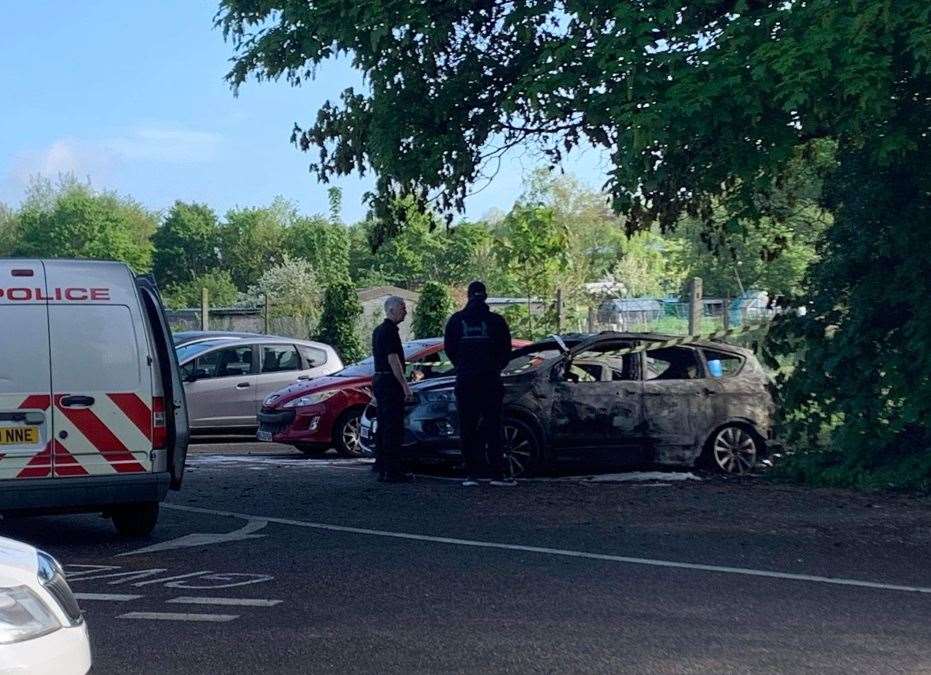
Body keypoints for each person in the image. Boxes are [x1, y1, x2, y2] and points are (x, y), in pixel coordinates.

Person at [444, 281, 514, 487]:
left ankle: (471, 474)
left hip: (466, 381)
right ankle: (497, 474)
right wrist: (494, 367)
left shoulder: (456, 321)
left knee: (468, 427)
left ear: (468, 296)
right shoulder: (497, 322)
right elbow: (506, 351)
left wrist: (463, 366)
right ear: (485, 296)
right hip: (490, 380)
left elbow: (449, 349)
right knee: (493, 426)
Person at [371, 296, 414, 483]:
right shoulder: (390, 332)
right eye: (402, 308)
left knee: (383, 425)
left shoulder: (378, 331)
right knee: (393, 427)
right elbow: (393, 359)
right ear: (391, 310)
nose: (405, 311)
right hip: (390, 382)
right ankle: (393, 471)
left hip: (380, 380)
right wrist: (405, 386)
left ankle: (381, 466)